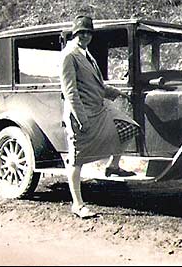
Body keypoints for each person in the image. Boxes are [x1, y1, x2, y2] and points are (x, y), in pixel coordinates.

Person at [60, 15, 139, 218]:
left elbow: (97, 85)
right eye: (81, 32)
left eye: (88, 32)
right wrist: (81, 118)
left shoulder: (86, 54)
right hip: (82, 112)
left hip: (99, 108)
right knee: (77, 159)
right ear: (74, 33)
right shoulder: (69, 55)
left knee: (129, 126)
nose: (85, 36)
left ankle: (113, 166)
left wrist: (117, 93)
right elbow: (70, 92)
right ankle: (77, 204)